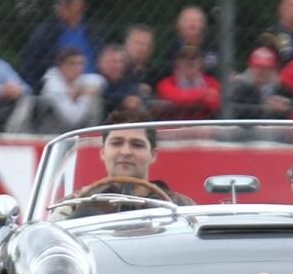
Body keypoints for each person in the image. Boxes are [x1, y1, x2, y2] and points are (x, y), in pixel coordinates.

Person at [49, 110, 194, 220]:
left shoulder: (181, 205)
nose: (125, 151)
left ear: (153, 155)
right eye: (116, 143)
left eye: (137, 145)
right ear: (103, 152)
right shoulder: (76, 203)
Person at [19, 0, 103, 90]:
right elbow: (29, 68)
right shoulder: (44, 33)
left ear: (82, 6)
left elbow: (102, 64)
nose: (63, 5)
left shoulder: (94, 33)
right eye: (61, 1)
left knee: (97, 82)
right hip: (59, 86)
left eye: (69, 2)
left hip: (89, 86)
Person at [37, 47, 104, 132]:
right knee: (92, 98)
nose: (78, 68)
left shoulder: (77, 80)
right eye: (72, 63)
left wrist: (80, 91)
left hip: (72, 131)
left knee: (96, 98)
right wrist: (85, 96)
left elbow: (100, 80)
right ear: (61, 66)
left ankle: (93, 134)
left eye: (81, 63)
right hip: (51, 132)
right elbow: (73, 119)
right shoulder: (53, 85)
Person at [154, 46, 221, 119]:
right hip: (175, 127)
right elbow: (175, 98)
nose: (190, 62)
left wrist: (187, 98)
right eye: (185, 58)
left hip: (204, 126)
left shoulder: (212, 82)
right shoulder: (165, 83)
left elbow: (216, 103)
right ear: (177, 63)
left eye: (194, 58)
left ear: (201, 63)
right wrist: (204, 94)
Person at [229, 45, 293, 119]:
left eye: (266, 68)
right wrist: (263, 108)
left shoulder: (282, 89)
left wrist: (288, 106)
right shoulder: (242, 89)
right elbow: (235, 113)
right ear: (251, 68)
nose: (261, 71)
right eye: (257, 67)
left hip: (276, 129)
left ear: (273, 70)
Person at [161, 6, 219, 77]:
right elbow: (168, 72)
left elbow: (220, 68)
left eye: (197, 21)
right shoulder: (172, 50)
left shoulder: (212, 46)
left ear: (204, 25)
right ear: (178, 26)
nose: (192, 25)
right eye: (187, 21)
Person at [97, 44, 144, 117]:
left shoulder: (127, 76)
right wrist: (123, 101)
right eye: (113, 62)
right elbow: (104, 96)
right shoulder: (96, 79)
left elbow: (134, 90)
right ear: (101, 64)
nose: (118, 66)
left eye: (121, 61)